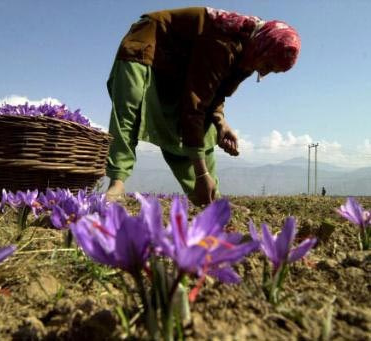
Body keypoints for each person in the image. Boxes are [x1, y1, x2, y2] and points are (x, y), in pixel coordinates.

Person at [105, 7, 301, 205]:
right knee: (130, 106)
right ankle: (117, 181)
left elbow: (214, 93)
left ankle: (210, 197)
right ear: (264, 46)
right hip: (146, 45)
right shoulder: (224, 40)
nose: (264, 72)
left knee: (202, 129)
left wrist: (220, 122)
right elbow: (195, 105)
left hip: (178, 69)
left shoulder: (250, 54)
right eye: (267, 64)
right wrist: (201, 173)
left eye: (272, 71)